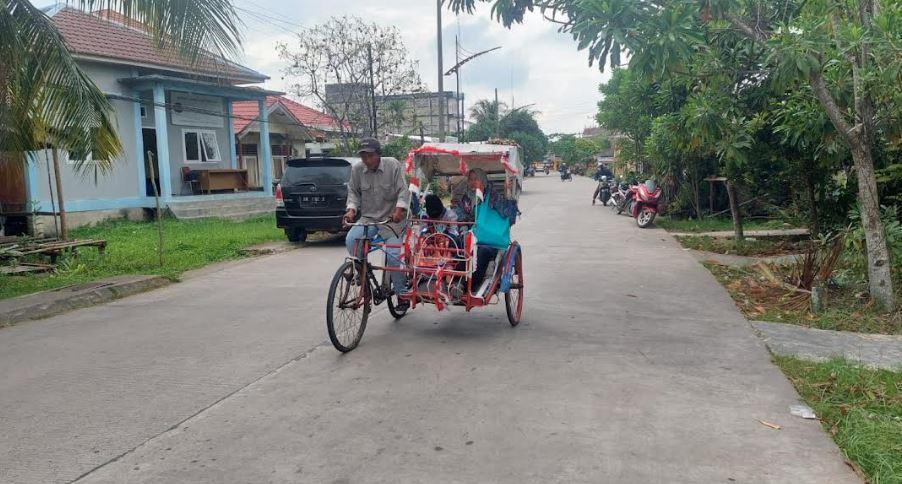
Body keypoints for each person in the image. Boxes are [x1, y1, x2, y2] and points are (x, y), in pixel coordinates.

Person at [343, 137, 410, 308]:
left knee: (393, 257)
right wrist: (351, 210)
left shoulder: (392, 165)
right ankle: (362, 272)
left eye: (370, 156)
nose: (366, 160)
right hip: (368, 219)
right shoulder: (357, 169)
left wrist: (399, 210)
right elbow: (353, 193)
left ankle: (402, 294)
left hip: (392, 221)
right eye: (363, 156)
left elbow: (403, 191)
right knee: (351, 240)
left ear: (378, 154)